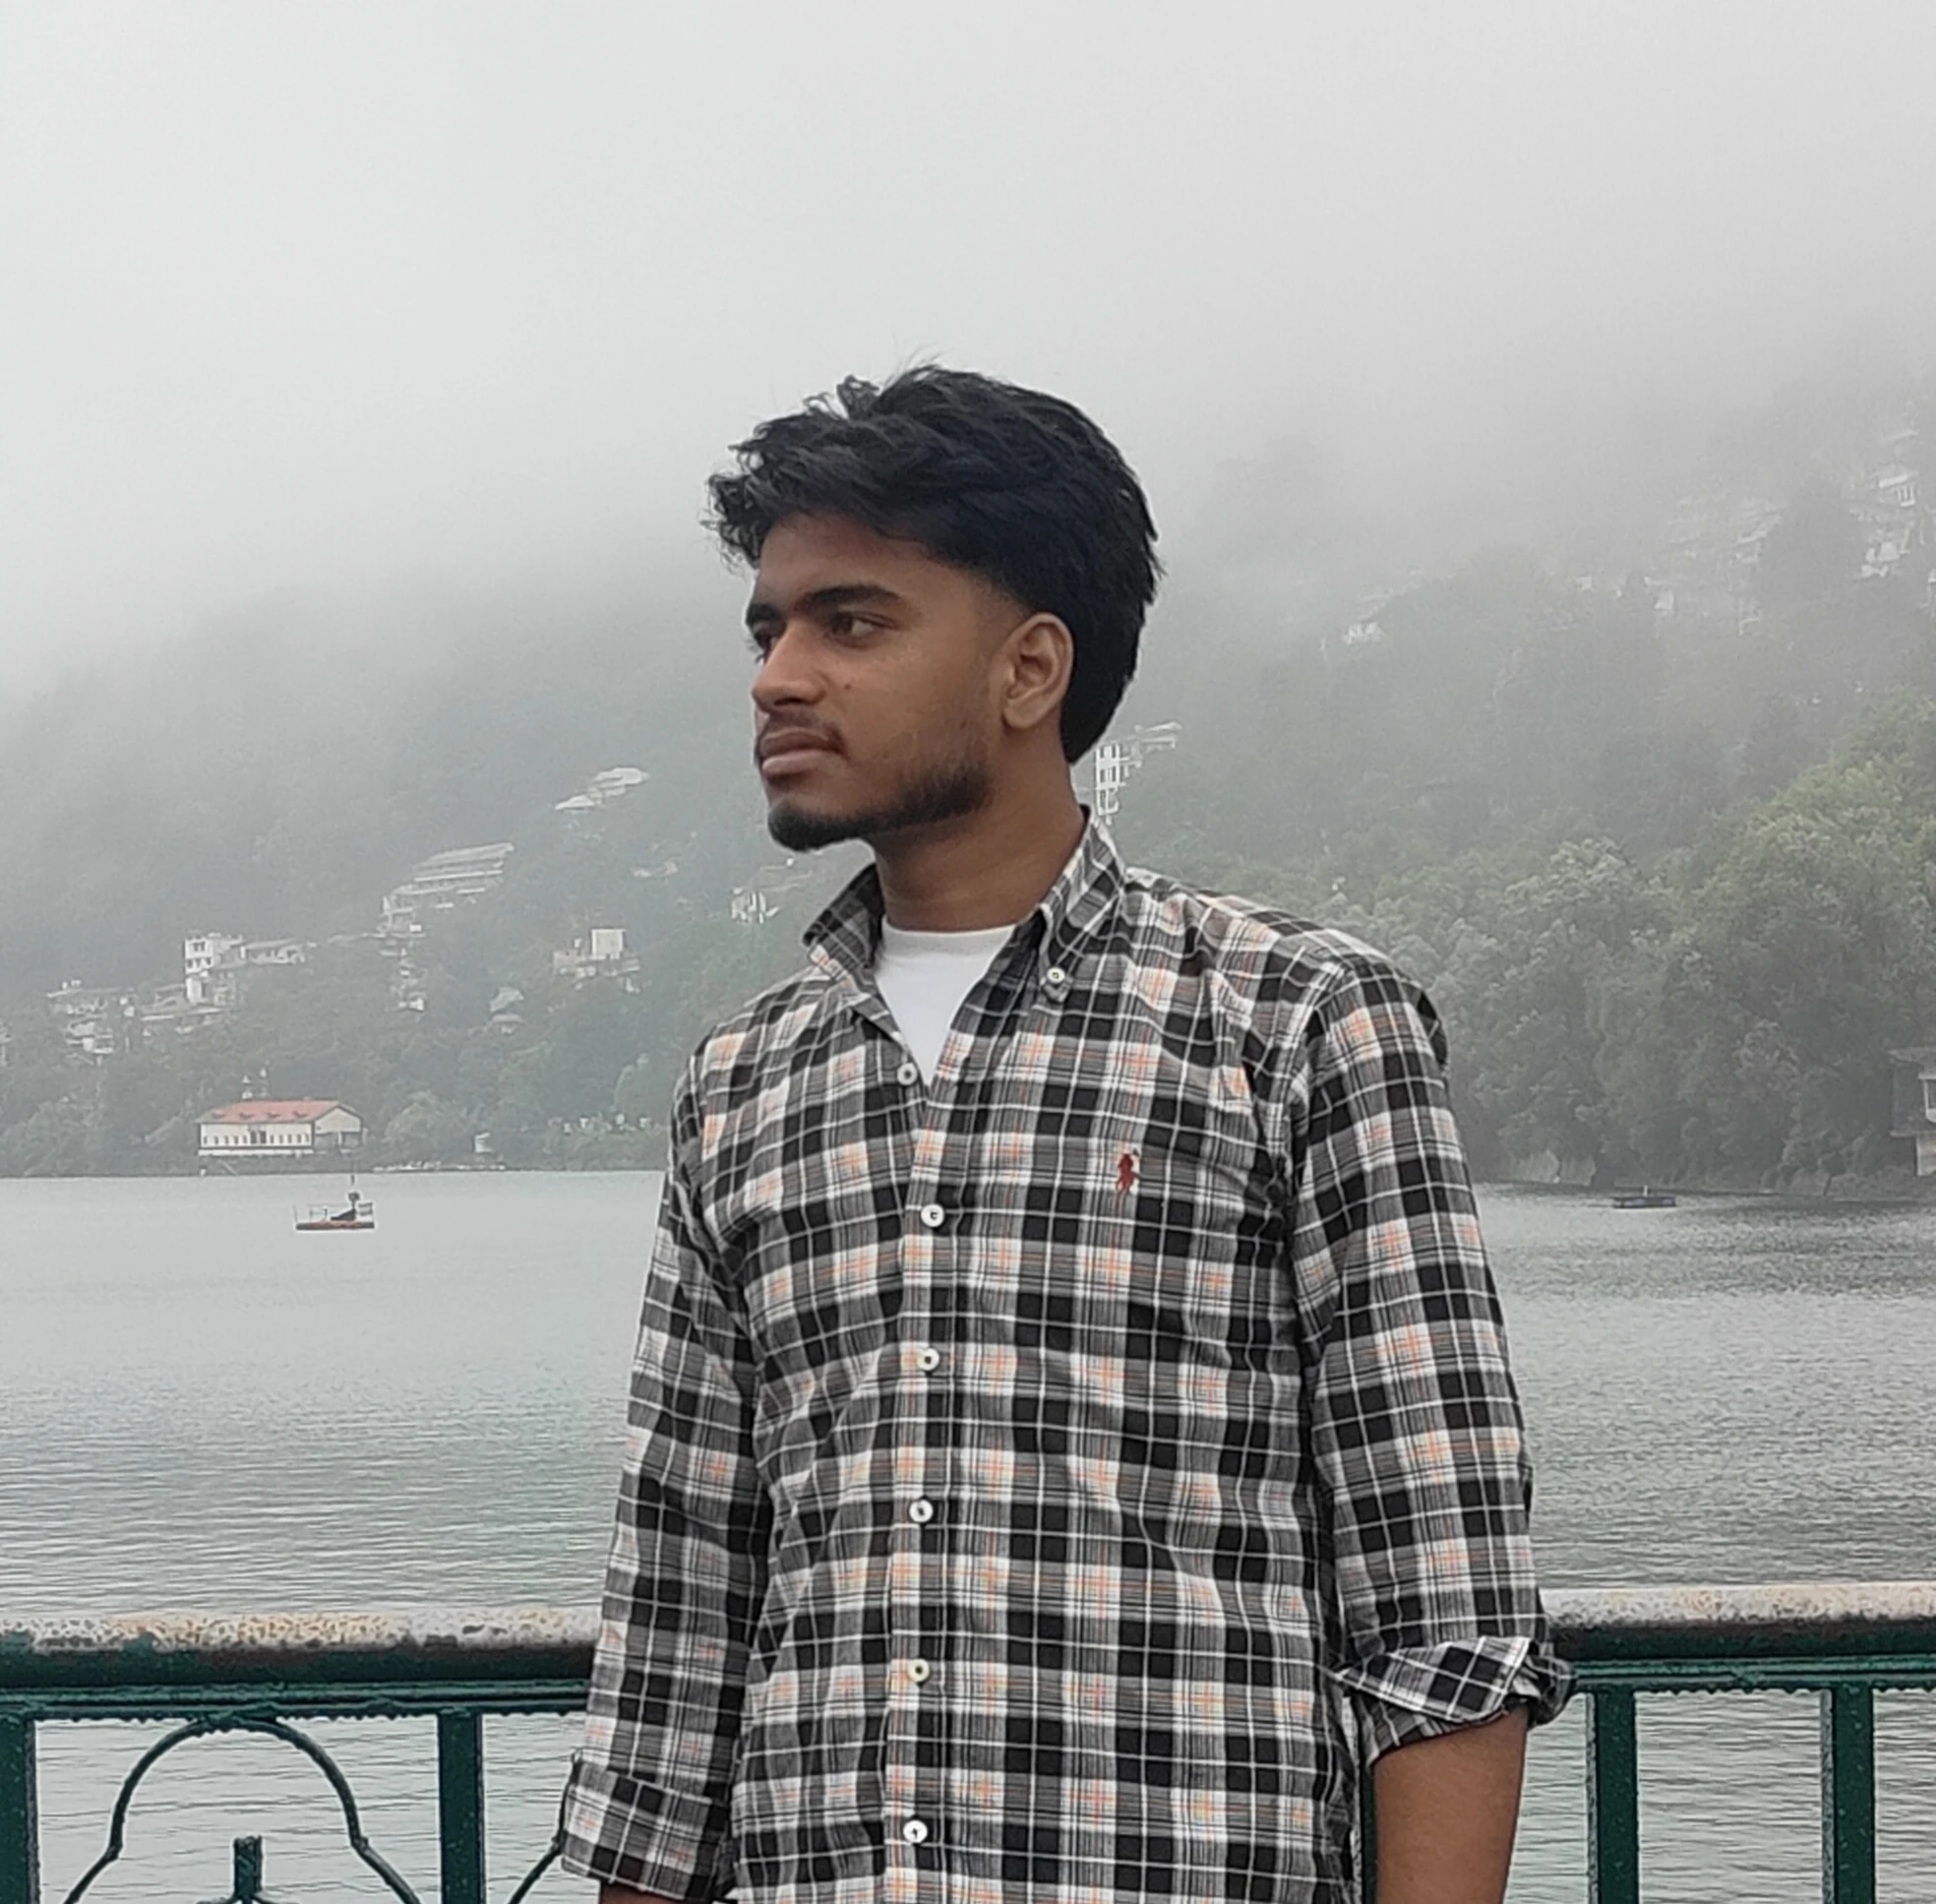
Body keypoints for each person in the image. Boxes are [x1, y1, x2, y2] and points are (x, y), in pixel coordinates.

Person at [559, 367, 1567, 1904]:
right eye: (767, 631)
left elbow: (1445, 1598)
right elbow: (679, 1634)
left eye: (852, 622)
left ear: (1030, 667)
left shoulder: (1294, 1023)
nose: (780, 676)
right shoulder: (743, 1085)